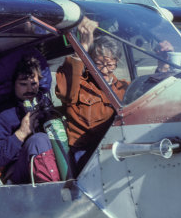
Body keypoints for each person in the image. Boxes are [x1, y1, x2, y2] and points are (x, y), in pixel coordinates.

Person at [55, 17, 129, 174]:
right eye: (99, 64)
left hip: (114, 148)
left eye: (109, 65)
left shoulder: (124, 88)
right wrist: (83, 47)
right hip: (85, 151)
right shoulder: (79, 84)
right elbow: (65, 93)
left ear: (117, 62)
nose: (103, 70)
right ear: (90, 61)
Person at [0, 57, 60, 184]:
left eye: (33, 84)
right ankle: (54, 189)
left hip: (49, 164)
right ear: (13, 84)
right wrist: (21, 134)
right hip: (18, 174)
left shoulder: (44, 104)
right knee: (38, 140)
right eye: (23, 84)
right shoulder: (2, 113)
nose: (30, 90)